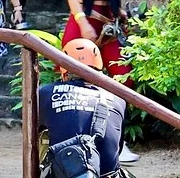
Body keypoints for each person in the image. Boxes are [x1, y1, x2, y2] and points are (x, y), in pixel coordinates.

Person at [61, 0, 139, 163]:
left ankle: (116, 142)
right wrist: (83, 23)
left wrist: (122, 15)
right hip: (82, 23)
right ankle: (76, 141)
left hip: (107, 26)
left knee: (123, 78)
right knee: (79, 82)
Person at [39, 38, 127, 177]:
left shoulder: (46, 93)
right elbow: (117, 148)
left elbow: (34, 135)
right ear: (100, 68)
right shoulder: (118, 98)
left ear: (64, 71)